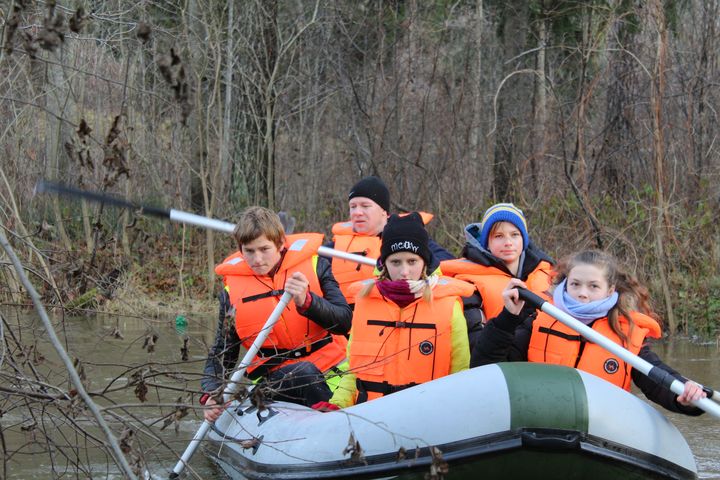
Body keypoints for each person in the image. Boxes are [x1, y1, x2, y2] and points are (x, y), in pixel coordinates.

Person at [471, 250, 706, 415]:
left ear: (609, 290)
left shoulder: (626, 335)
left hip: (600, 431)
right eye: (575, 284)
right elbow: (486, 366)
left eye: (593, 286)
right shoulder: (537, 319)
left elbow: (656, 381)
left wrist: (683, 397)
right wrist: (507, 318)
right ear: (565, 284)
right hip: (541, 422)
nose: (582, 293)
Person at [200, 207, 352, 422]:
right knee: (303, 372)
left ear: (281, 244)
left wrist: (308, 302)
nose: (257, 259)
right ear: (240, 249)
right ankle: (331, 422)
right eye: (249, 251)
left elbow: (344, 322)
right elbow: (222, 353)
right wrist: (212, 392)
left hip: (334, 370)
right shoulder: (230, 293)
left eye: (264, 249)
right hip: (275, 381)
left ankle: (335, 413)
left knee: (311, 372)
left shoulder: (317, 266)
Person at [317, 213, 474, 410]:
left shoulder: (450, 307)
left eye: (412, 261)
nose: (404, 271)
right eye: (396, 262)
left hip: (429, 419)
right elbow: (353, 370)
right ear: (384, 263)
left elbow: (459, 375)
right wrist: (337, 404)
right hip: (370, 418)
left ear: (425, 262)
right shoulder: (365, 303)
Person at [327, 176, 454, 305]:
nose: (357, 212)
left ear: (383, 211)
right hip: (348, 315)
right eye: (353, 206)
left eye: (365, 206)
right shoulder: (333, 248)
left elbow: (446, 261)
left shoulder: (409, 236)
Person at [441, 203, 554, 348]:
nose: (508, 243)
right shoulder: (468, 282)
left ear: (524, 239)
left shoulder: (550, 275)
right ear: (487, 242)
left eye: (515, 235)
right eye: (499, 236)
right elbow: (475, 343)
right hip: (498, 360)